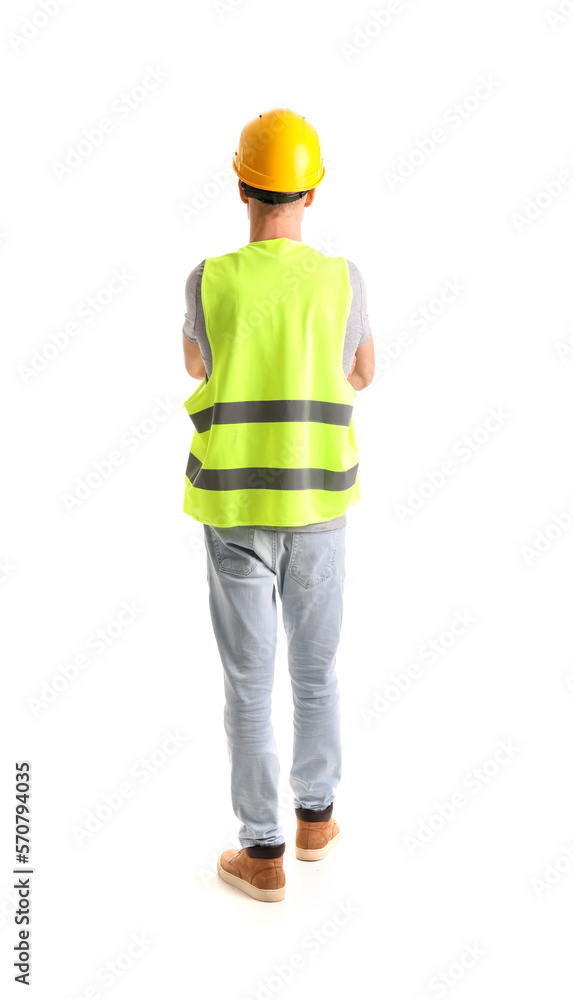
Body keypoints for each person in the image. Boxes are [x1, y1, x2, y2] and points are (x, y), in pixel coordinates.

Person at [181, 108, 375, 902]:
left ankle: (261, 858)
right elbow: (361, 373)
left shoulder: (208, 278)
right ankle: (316, 822)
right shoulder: (341, 278)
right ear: (312, 191)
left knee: (249, 683)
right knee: (317, 671)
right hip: (320, 502)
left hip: (233, 508)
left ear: (240, 187)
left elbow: (195, 364)